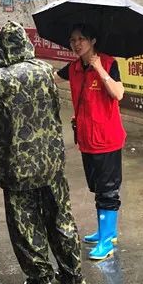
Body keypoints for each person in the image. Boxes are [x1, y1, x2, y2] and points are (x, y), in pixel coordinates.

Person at [0, 21, 85, 284]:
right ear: (26, 45)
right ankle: (73, 278)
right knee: (61, 219)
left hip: (18, 168)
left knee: (26, 226)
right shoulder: (43, 71)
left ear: (1, 48)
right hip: (51, 163)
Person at [55, 24, 126, 261]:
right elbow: (52, 78)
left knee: (108, 191)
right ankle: (107, 231)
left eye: (81, 38)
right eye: (73, 39)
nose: (76, 43)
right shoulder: (74, 68)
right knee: (97, 188)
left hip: (107, 139)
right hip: (86, 139)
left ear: (93, 40)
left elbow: (117, 94)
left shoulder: (108, 63)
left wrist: (98, 69)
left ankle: (107, 242)